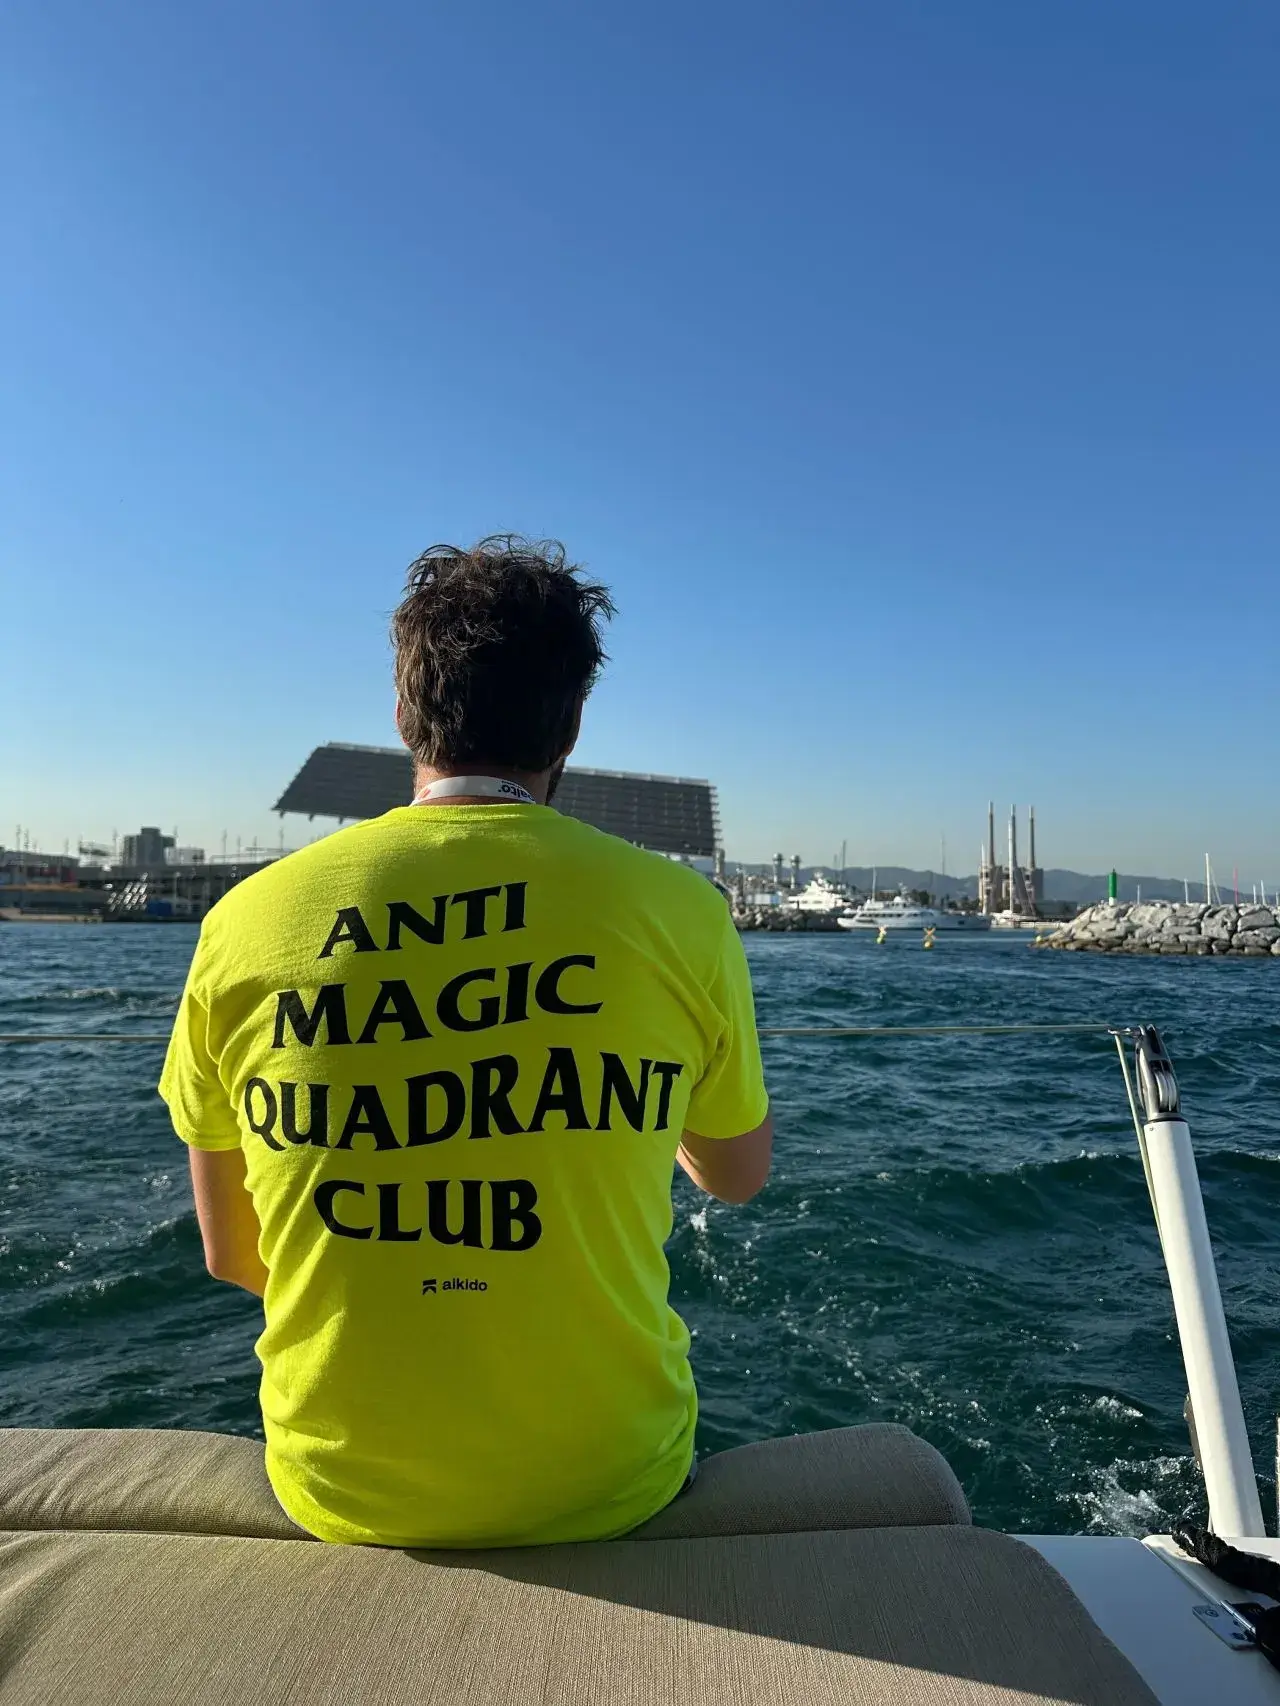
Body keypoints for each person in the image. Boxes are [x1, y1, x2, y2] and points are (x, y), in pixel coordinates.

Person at [159, 534, 772, 1548]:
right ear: (571, 721)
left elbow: (235, 1252)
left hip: (338, 1487)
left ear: (404, 712)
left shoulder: (246, 920)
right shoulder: (680, 911)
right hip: (614, 1476)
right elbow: (736, 1175)